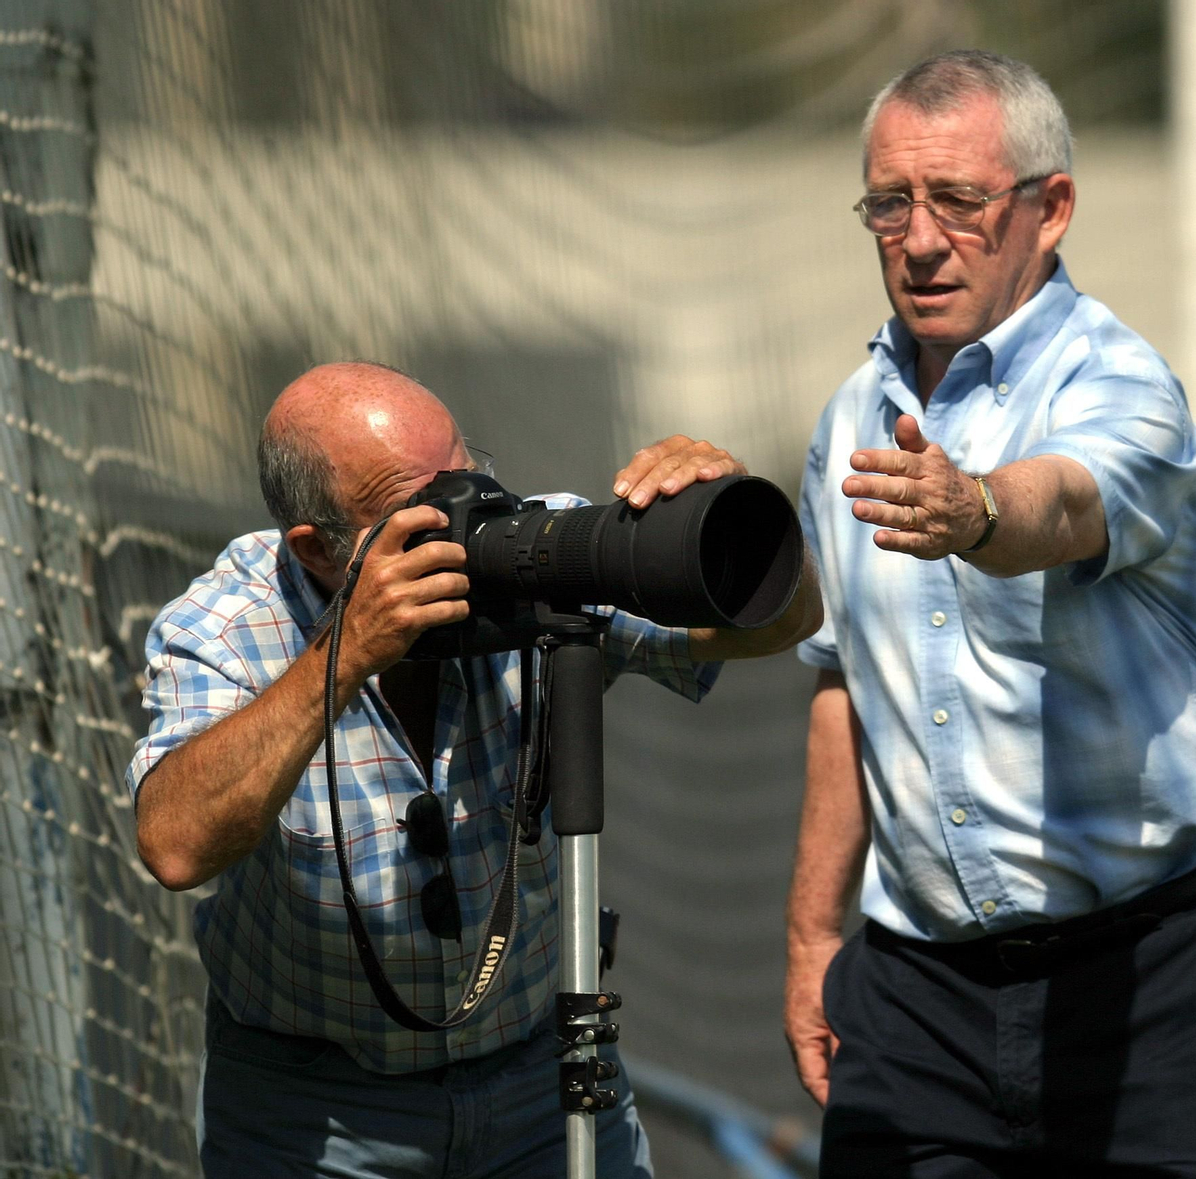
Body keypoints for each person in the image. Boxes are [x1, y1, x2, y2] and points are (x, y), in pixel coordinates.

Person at [786, 50, 1196, 1177]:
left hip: (1154, 986)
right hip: (915, 1002)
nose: (918, 240)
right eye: (889, 203)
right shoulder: (847, 419)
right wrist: (812, 937)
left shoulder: (1119, 383)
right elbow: (843, 682)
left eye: (958, 203)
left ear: (1048, 208)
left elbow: (1065, 501)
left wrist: (974, 508)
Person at [127, 361, 822, 1179]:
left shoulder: (536, 550)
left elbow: (782, 622)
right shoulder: (230, 624)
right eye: (423, 509)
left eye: (471, 471)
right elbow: (173, 844)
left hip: (536, 1076)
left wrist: (725, 518)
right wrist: (345, 653)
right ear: (318, 548)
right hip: (315, 1110)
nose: (472, 517)